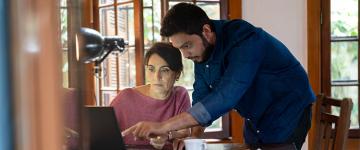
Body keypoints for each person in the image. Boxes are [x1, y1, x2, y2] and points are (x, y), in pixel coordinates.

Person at [122, 3, 315, 150]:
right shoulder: (201, 54)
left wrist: (163, 126)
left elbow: (226, 97)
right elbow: (202, 98)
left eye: (187, 46)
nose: (185, 55)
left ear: (206, 31)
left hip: (288, 110)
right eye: (179, 48)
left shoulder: (245, 39)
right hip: (256, 118)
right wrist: (194, 136)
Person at [110, 42, 203, 149]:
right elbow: (103, 134)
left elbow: (185, 132)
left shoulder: (180, 95)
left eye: (165, 70)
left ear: (177, 73)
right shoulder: (125, 97)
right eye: (151, 69)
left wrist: (167, 135)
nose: (157, 77)